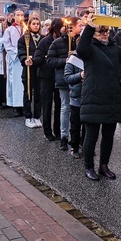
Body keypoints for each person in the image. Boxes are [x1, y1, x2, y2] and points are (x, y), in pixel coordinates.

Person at [76, 17, 121, 180]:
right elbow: (81, 50)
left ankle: (104, 165)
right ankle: (89, 167)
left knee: (109, 135)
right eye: (100, 31)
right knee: (91, 135)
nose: (104, 34)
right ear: (94, 33)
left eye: (107, 31)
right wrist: (89, 28)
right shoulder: (89, 47)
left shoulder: (114, 48)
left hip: (112, 96)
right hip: (94, 95)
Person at [47, 17, 83, 150]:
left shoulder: (82, 42)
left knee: (79, 110)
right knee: (65, 108)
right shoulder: (57, 43)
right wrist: (65, 60)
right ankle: (64, 136)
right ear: (72, 26)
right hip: (64, 80)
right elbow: (50, 61)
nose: (81, 27)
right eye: (79, 25)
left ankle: (77, 137)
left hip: (80, 80)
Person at [34, 18, 63, 141]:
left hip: (59, 77)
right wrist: (43, 59)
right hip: (46, 76)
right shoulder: (45, 41)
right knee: (47, 105)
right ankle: (47, 131)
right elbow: (38, 57)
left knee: (59, 105)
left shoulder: (64, 40)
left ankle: (58, 130)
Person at [17, 15, 43, 128]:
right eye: (34, 24)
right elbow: (21, 51)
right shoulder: (24, 39)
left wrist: (36, 60)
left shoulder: (43, 38)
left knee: (39, 94)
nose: (36, 26)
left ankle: (37, 116)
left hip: (39, 69)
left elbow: (43, 52)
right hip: (28, 70)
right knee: (28, 93)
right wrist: (24, 59)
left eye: (37, 24)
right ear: (29, 25)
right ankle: (28, 116)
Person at [0, 9, 25, 116]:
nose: (20, 17)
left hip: (25, 59)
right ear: (13, 16)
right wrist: (17, 53)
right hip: (14, 59)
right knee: (14, 82)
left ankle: (24, 105)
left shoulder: (26, 29)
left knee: (24, 83)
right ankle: (15, 106)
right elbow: (6, 44)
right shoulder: (9, 29)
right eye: (17, 15)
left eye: (21, 15)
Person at [64, 50, 84, 158]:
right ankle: (74, 147)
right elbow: (67, 78)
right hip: (76, 96)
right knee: (75, 123)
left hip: (89, 96)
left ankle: (86, 146)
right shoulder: (73, 60)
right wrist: (80, 75)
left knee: (88, 124)